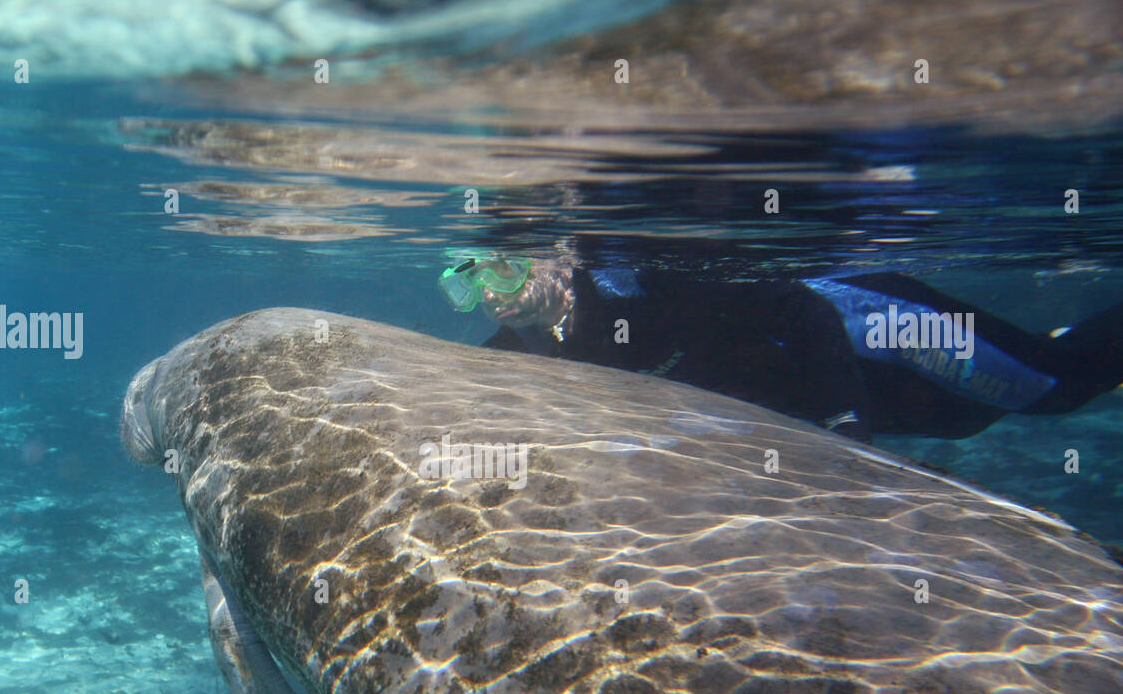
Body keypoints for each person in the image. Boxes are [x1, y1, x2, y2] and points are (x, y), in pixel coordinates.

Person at [438, 255, 1123, 441]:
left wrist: (844, 428)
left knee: (1055, 390)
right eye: (464, 280)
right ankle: (1053, 344)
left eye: (502, 269)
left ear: (554, 255)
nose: (492, 294)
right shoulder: (526, 344)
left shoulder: (635, 278)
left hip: (872, 327)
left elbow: (799, 307)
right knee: (965, 419)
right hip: (809, 382)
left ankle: (1067, 350)